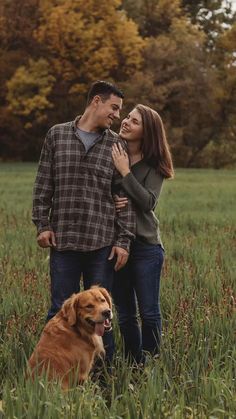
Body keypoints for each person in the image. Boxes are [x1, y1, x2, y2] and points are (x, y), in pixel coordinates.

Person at [32, 80, 136, 362]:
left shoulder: (116, 144)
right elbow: (44, 186)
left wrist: (123, 241)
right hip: (63, 241)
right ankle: (50, 373)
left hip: (101, 243)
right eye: (114, 108)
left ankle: (104, 378)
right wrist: (42, 225)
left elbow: (123, 197)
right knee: (60, 311)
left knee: (104, 315)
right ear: (96, 102)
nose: (117, 115)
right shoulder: (57, 135)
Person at [111, 104, 174, 364]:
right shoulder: (113, 150)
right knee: (125, 314)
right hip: (117, 244)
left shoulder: (154, 164)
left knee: (148, 313)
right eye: (127, 117)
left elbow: (148, 202)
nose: (125, 122)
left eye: (133, 121)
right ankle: (134, 364)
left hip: (146, 248)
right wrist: (112, 200)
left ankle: (152, 363)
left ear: (146, 132)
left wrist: (125, 171)